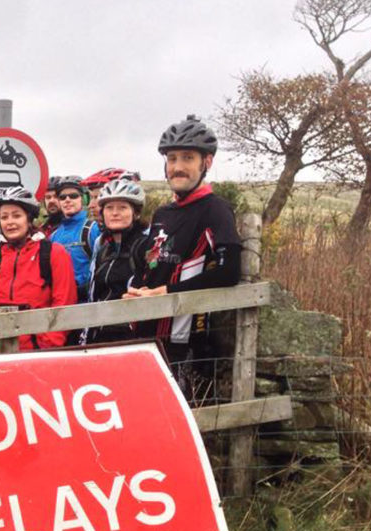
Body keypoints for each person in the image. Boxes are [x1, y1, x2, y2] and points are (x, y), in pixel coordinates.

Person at [124, 114, 241, 382]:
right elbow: (155, 263)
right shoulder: (163, 212)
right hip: (144, 335)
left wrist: (166, 292)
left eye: (188, 158)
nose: (177, 167)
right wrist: (140, 289)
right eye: (172, 158)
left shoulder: (216, 210)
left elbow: (229, 271)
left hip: (183, 344)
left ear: (206, 162)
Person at [0, 186, 77, 354]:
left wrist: (48, 346)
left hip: (40, 354)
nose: (10, 222)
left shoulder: (54, 253)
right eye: (4, 217)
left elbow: (64, 302)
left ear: (29, 218)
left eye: (16, 215)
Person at [82, 179, 150, 344]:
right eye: (109, 208)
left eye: (122, 207)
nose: (115, 213)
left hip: (133, 335)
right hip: (100, 334)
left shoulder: (144, 246)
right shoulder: (103, 249)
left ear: (136, 213)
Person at [46, 175, 99, 301]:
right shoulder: (53, 236)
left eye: (73, 196)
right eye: (62, 197)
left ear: (83, 199)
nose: (67, 200)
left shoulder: (92, 229)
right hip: (62, 305)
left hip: (88, 306)